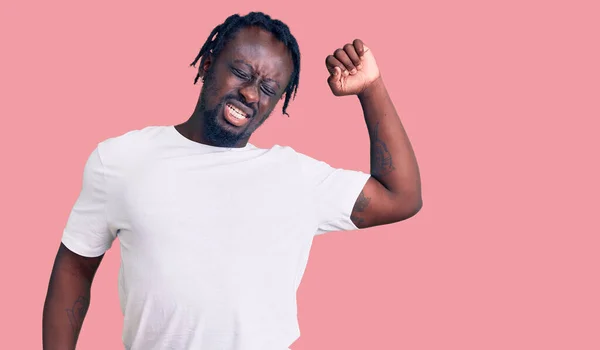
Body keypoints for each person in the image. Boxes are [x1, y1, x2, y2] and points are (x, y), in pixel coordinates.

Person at [42, 11, 422, 350]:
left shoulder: (295, 178)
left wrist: (372, 89)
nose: (251, 93)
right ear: (208, 64)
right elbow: (74, 266)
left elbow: (401, 196)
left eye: (270, 89)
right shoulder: (121, 159)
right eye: (241, 72)